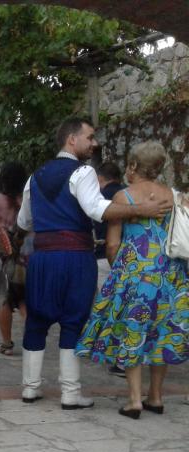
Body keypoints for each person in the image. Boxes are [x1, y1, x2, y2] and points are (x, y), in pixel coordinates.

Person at [17, 117, 172, 409]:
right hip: (75, 256)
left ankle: (30, 388)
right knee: (73, 320)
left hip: (42, 258)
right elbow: (96, 209)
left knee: (36, 320)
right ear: (71, 139)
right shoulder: (83, 171)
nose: (95, 143)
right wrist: (143, 208)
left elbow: (23, 221)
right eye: (90, 137)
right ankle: (70, 393)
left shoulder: (35, 176)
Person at [76, 141, 189, 419]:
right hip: (171, 274)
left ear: (134, 166)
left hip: (135, 274)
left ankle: (135, 400)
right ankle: (156, 397)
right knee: (162, 333)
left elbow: (113, 244)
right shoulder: (174, 196)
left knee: (133, 332)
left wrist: (120, 273)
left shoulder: (124, 197)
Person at [0, 162, 29, 356]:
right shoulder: (26, 202)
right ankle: (33, 341)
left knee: (3, 300)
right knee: (23, 300)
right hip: (25, 259)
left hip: (1, 259)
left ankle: (6, 344)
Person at [95, 161, 127, 377]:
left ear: (100, 178)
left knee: (109, 309)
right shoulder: (129, 195)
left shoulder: (100, 197)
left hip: (105, 255)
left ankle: (117, 355)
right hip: (132, 258)